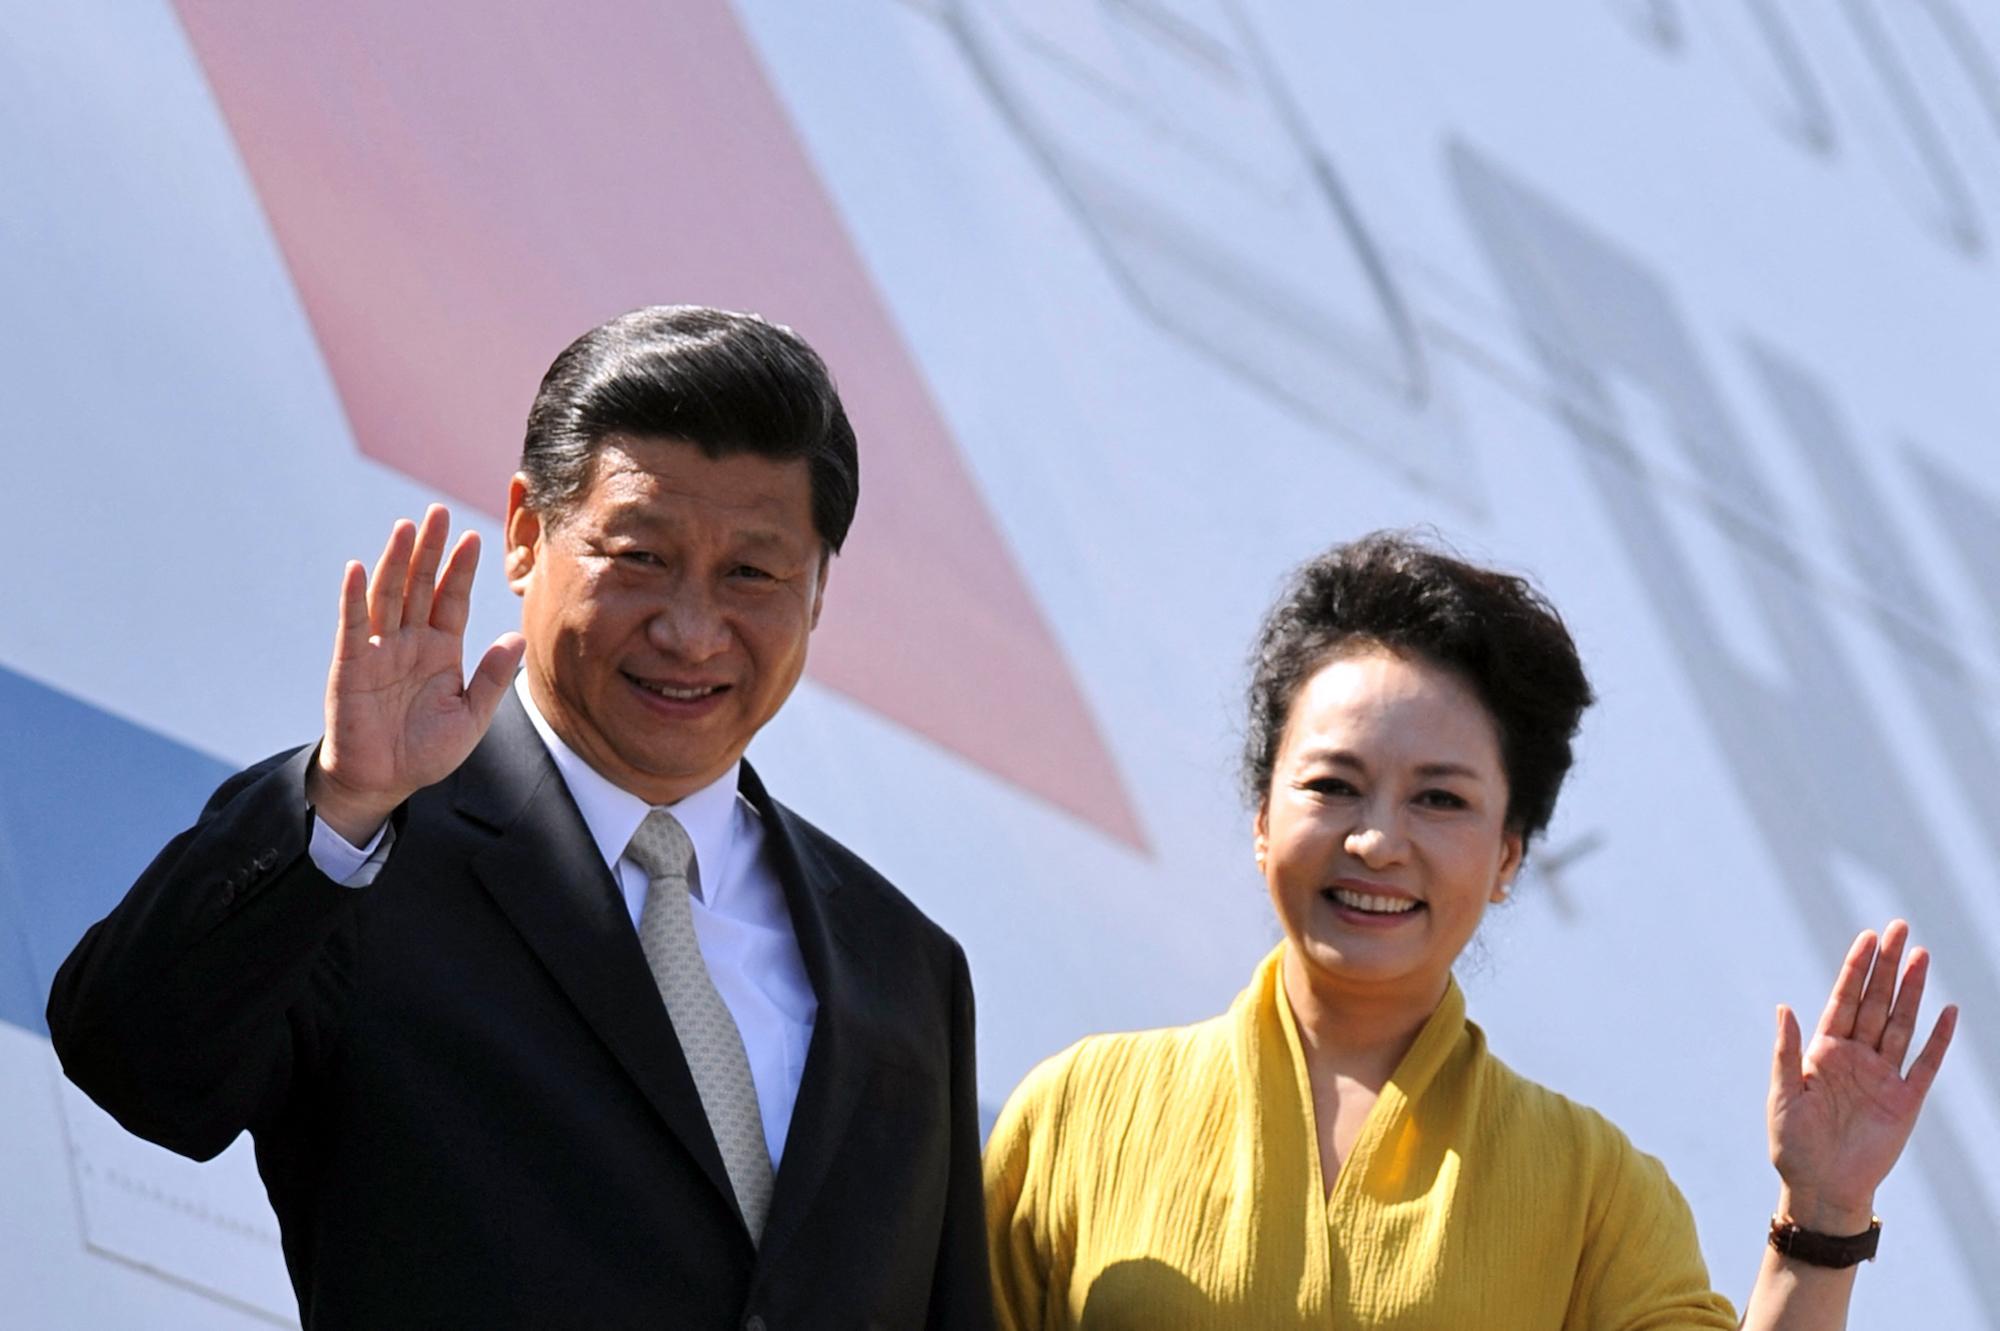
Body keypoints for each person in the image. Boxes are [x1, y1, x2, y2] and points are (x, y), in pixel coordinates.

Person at [49, 306, 993, 1329]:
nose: (689, 629)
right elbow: (136, 1066)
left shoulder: (902, 966)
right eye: (637, 555)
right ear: (526, 532)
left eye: (752, 574)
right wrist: (346, 802)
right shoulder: (366, 850)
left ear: (814, 595)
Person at [984, 532, 1956, 1329]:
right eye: (1331, 784)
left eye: (1439, 799)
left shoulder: (1590, 1188)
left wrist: (1823, 1215)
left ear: (1505, 857)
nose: (1375, 839)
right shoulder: (1078, 1110)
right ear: (1259, 816)